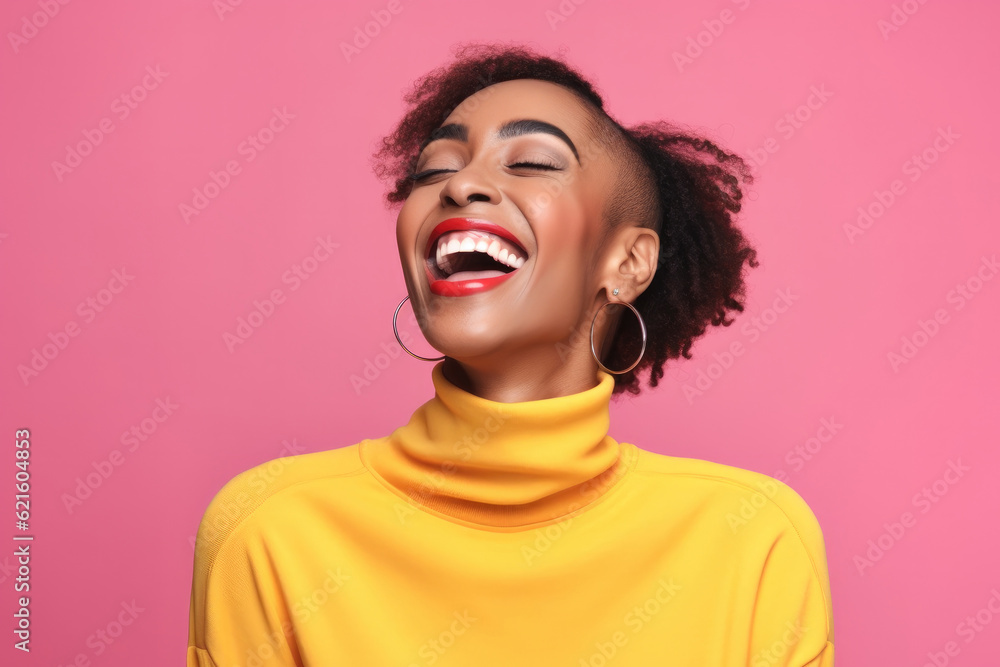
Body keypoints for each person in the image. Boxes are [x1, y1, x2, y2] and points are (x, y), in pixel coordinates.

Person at [187, 42, 834, 666]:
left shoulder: (750, 540)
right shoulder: (273, 531)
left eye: (530, 162)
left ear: (628, 261)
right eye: (434, 170)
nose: (463, 184)